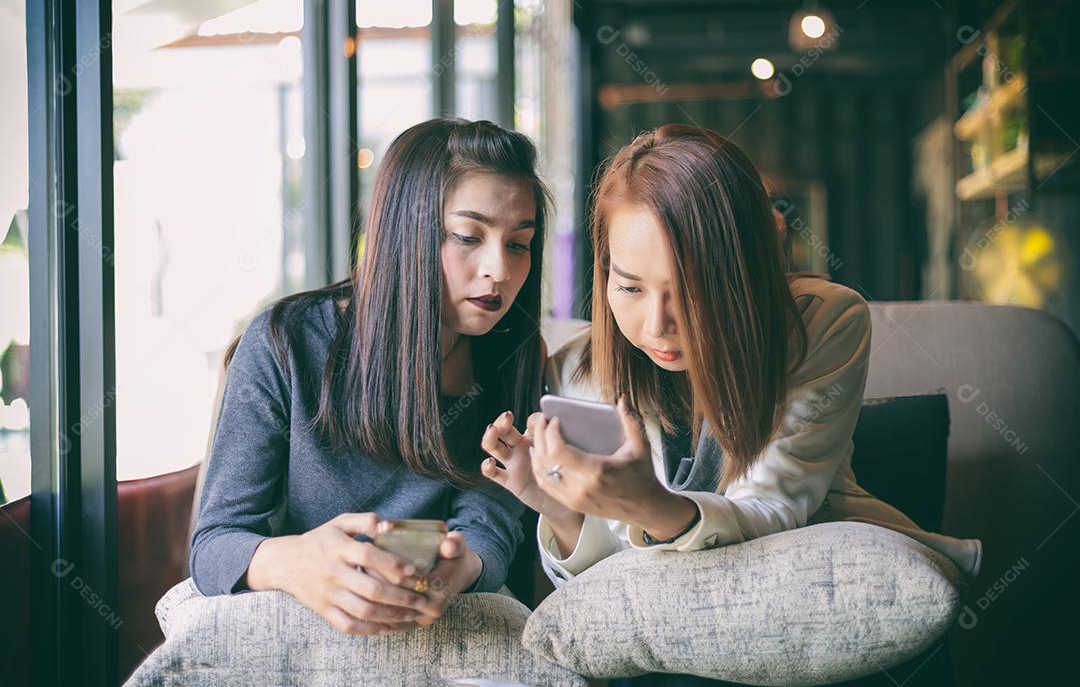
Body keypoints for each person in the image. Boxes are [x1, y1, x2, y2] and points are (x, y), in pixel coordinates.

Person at [481, 124, 981, 683]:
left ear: (743, 271)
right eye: (629, 287)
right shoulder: (575, 369)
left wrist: (650, 506)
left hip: (802, 600)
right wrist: (556, 505)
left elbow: (774, 510)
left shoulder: (821, 322)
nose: (658, 325)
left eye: (691, 288)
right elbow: (603, 584)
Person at [190, 117, 549, 637]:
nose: (499, 268)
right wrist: (297, 563)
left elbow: (491, 517)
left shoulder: (513, 352)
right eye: (468, 236)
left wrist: (462, 567)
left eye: (519, 243)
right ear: (406, 231)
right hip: (301, 628)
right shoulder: (286, 342)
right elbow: (214, 544)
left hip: (439, 624)